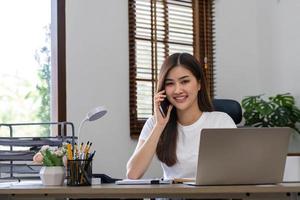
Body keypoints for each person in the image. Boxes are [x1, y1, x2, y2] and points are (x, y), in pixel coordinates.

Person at [126, 53, 236, 180]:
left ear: (199, 84)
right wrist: (159, 126)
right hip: (171, 196)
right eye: (170, 83)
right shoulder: (155, 123)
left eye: (184, 81)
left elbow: (237, 170)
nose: (177, 90)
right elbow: (132, 174)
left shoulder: (221, 121)